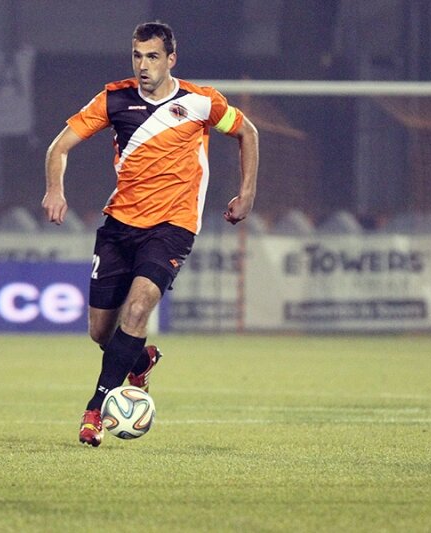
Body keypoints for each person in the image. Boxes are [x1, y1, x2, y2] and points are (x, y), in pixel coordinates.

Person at [42, 21, 259, 447]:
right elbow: (59, 147)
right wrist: (55, 188)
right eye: (138, 56)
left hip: (173, 227)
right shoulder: (113, 99)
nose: (143, 65)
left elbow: (246, 132)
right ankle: (139, 361)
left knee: (138, 310)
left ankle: (95, 410)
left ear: (171, 59)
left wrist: (247, 192)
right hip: (120, 227)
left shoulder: (201, 102)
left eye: (153, 57)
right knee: (101, 332)